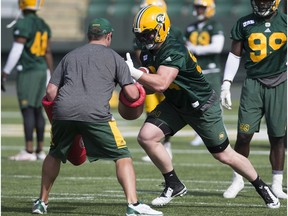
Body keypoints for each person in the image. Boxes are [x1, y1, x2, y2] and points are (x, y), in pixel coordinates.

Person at [126, 5, 280, 208]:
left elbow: (162, 83)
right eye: (142, 35)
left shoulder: (173, 48)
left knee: (224, 155)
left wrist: (136, 74)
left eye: (149, 34)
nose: (145, 39)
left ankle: (262, 187)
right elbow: (155, 87)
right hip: (176, 103)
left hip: (201, 106)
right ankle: (173, 184)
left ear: (162, 28)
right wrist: (138, 83)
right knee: (146, 137)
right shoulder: (148, 51)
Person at [31, 18, 162, 216]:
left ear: (88, 36)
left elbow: (50, 91)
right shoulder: (114, 58)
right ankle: (133, 204)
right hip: (95, 114)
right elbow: (133, 95)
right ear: (109, 36)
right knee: (122, 156)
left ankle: (42, 202)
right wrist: (136, 84)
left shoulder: (70, 56)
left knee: (54, 154)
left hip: (63, 112)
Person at [220, 0, 287, 199]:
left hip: (280, 82)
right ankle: (238, 179)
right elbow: (234, 55)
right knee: (243, 134)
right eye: (258, 1)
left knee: (278, 136)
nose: (261, 4)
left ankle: (277, 184)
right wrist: (226, 82)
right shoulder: (244, 23)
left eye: (265, 1)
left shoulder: (285, 22)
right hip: (253, 83)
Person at [1, 0, 53, 161]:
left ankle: (29, 150)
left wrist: (5, 71)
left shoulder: (24, 24)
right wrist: (51, 75)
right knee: (38, 110)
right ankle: (39, 150)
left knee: (28, 109)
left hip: (29, 71)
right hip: (42, 70)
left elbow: (17, 49)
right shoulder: (43, 24)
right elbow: (48, 52)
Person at [135, 0, 186, 162]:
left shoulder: (173, 35)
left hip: (170, 79)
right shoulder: (142, 35)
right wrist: (144, 70)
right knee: (151, 111)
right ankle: (158, 143)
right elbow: (141, 52)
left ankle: (167, 144)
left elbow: (181, 55)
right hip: (151, 75)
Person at [185, 0, 224, 146]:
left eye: (202, 8)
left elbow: (217, 47)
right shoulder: (191, 27)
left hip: (211, 70)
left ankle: (219, 130)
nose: (199, 10)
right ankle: (200, 133)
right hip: (196, 71)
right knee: (196, 104)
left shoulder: (215, 25)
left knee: (215, 104)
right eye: (197, 7)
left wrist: (195, 49)